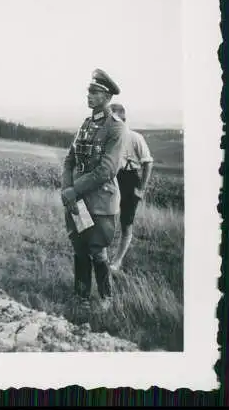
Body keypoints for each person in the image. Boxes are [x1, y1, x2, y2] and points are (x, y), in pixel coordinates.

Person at [61, 68, 127, 319]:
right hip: (77, 200)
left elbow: (106, 170)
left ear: (107, 97)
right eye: (89, 90)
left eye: (96, 92)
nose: (89, 95)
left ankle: (106, 297)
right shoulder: (86, 124)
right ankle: (81, 297)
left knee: (97, 250)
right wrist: (67, 189)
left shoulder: (115, 128)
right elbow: (69, 160)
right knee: (79, 248)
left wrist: (73, 189)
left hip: (100, 202)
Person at [108, 103, 154, 272]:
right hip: (112, 179)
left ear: (123, 120)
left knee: (126, 222)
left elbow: (148, 163)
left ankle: (117, 261)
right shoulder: (109, 137)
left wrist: (141, 188)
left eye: (113, 120)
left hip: (130, 180)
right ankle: (102, 254)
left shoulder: (135, 137)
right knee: (106, 217)